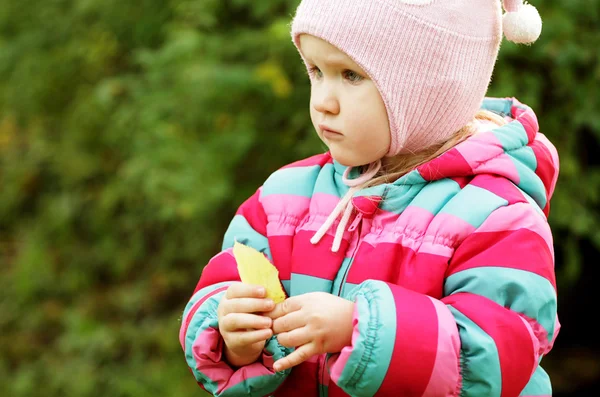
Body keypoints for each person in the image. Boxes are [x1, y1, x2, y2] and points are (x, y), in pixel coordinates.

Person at [179, 0, 560, 396]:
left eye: (351, 75)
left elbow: (494, 359)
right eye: (316, 71)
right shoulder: (282, 200)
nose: (324, 100)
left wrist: (360, 327)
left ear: (431, 87)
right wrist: (232, 337)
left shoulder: (497, 217)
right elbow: (219, 287)